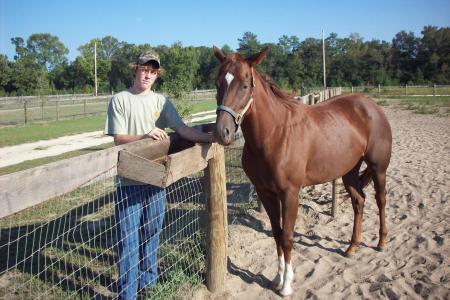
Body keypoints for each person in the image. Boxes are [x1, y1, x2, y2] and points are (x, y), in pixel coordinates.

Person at [104, 49, 214, 300]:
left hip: (156, 179)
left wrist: (210, 137)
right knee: (128, 240)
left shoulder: (160, 102)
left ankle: (148, 285)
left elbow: (183, 129)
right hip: (129, 181)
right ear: (136, 70)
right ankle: (127, 294)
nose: (148, 75)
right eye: (145, 69)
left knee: (152, 233)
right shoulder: (120, 99)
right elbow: (118, 139)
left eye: (153, 72)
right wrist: (145, 135)